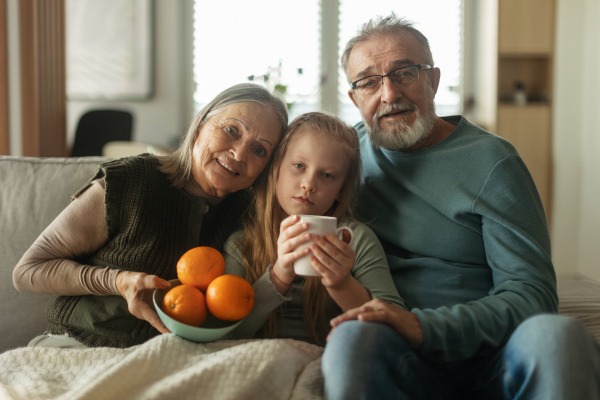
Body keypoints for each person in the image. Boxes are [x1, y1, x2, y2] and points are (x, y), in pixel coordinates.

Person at [321, 14, 600, 399]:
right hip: (399, 356)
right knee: (351, 339)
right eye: (369, 82)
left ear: (432, 81)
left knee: (560, 336)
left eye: (405, 73)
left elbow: (532, 293)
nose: (388, 94)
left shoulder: (492, 161)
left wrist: (423, 326)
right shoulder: (343, 158)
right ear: (354, 98)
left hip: (493, 357)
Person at [13, 83, 288, 349]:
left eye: (259, 150)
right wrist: (118, 281)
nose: (239, 153)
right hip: (76, 343)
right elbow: (28, 271)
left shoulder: (248, 216)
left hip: (167, 359)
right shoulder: (131, 181)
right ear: (201, 122)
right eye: (231, 130)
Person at [222, 112, 405, 345]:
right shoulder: (242, 244)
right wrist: (278, 277)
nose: (309, 184)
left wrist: (341, 284)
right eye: (299, 165)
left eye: (327, 175)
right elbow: (226, 332)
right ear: (276, 167)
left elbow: (397, 326)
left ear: (341, 190)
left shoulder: (352, 239)